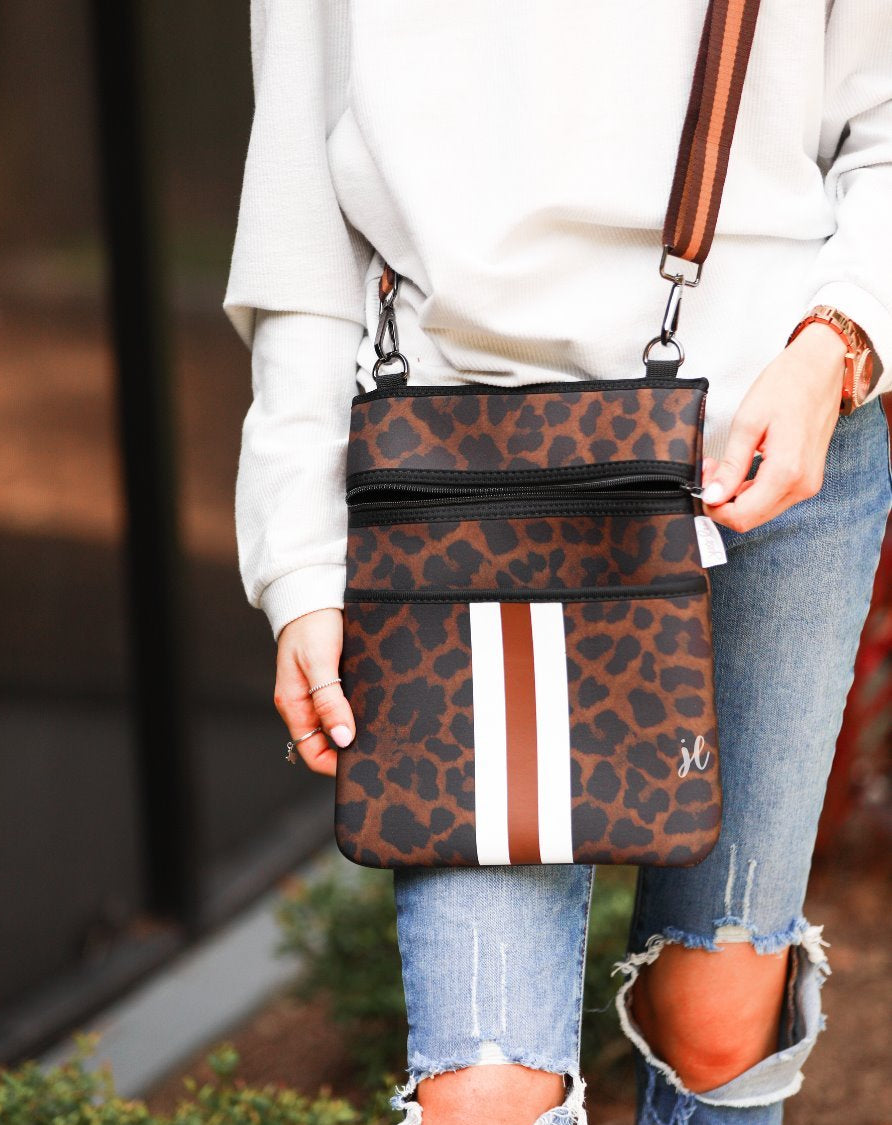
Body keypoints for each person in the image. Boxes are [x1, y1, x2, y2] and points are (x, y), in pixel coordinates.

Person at [223, 3, 892, 1122]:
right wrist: (299, 560)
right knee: (483, 1087)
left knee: (718, 1018)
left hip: (765, 452)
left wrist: (842, 338)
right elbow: (299, 225)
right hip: (459, 488)